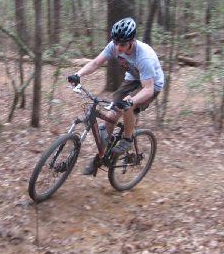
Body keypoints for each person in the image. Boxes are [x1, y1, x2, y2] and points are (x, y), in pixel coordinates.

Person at [67, 17, 165, 175]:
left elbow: (148, 89)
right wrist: (78, 74)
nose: (118, 47)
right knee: (111, 113)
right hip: (132, 78)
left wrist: (131, 100)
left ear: (132, 41)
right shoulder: (114, 45)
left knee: (128, 105)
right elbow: (96, 63)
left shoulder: (144, 56)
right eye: (116, 43)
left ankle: (127, 139)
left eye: (123, 44)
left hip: (151, 84)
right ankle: (101, 156)